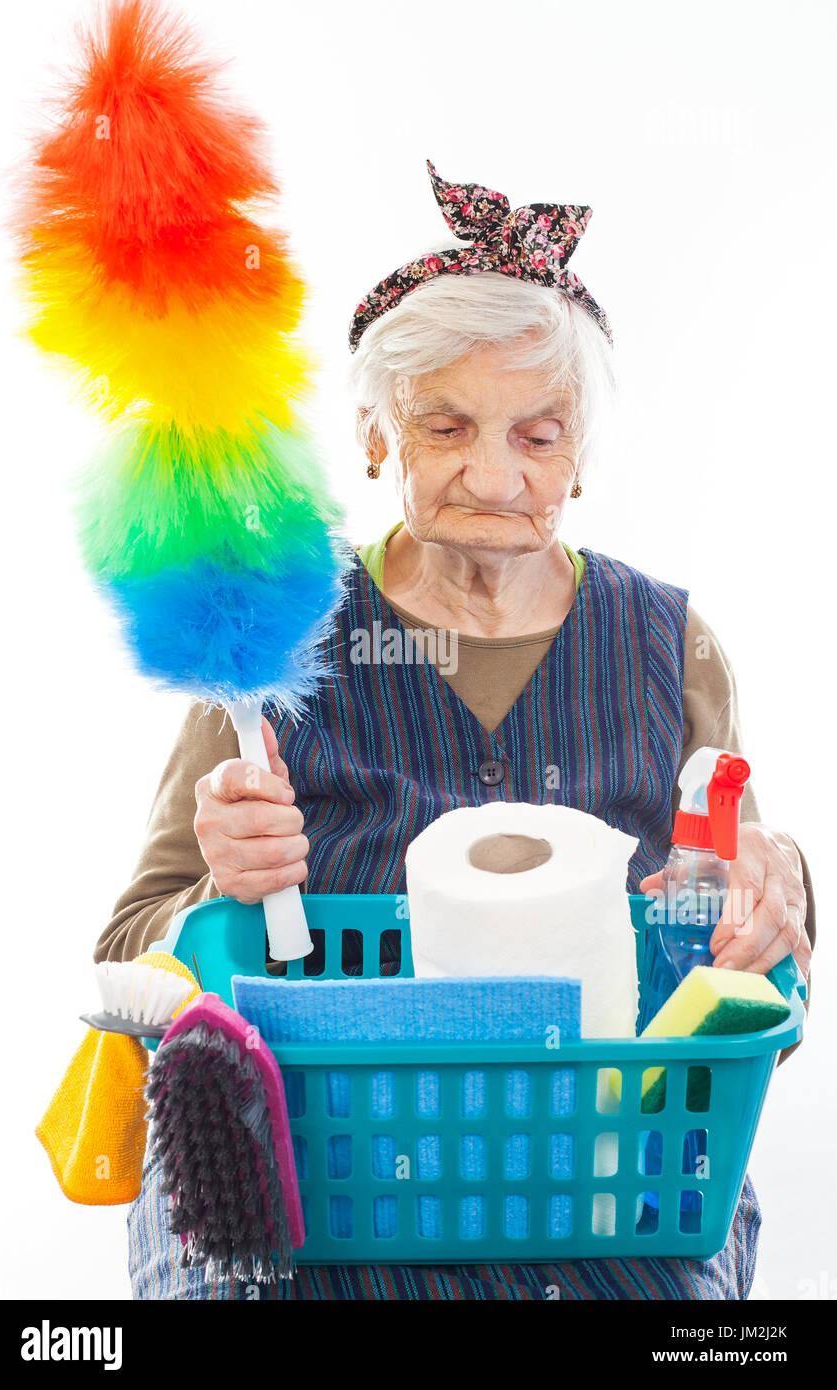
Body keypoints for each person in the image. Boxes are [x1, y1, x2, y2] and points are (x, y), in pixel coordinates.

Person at [102, 164, 813, 1300]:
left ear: (580, 453)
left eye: (537, 436)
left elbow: (736, 935)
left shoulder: (669, 645)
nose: (494, 474)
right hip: (318, 1193)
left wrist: (772, 897)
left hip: (603, 1191)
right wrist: (215, 896)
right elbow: (127, 952)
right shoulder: (269, 644)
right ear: (377, 437)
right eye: (446, 425)